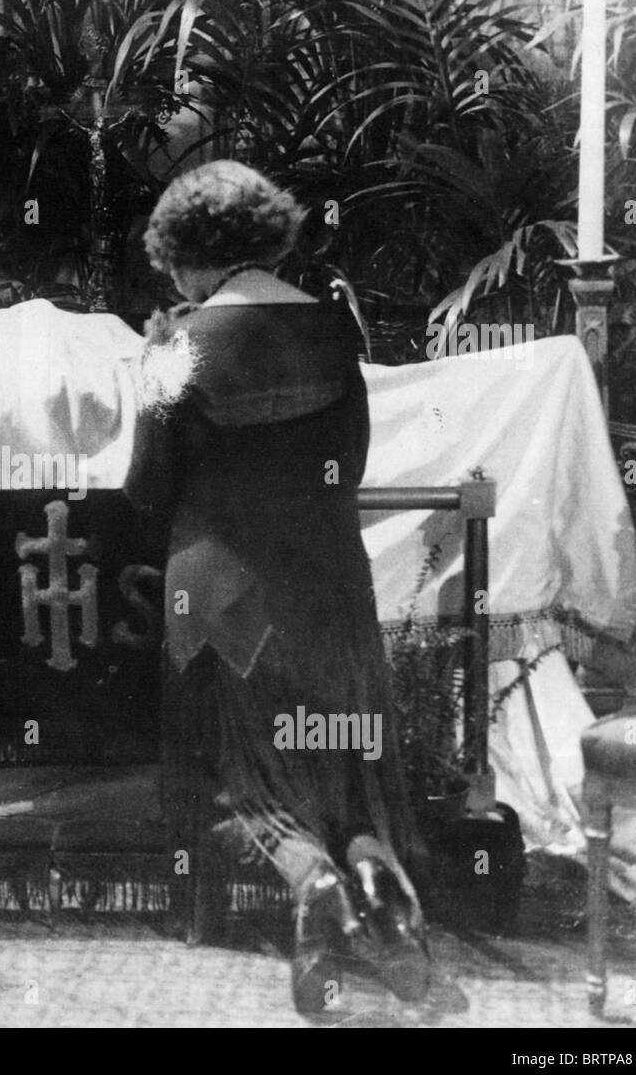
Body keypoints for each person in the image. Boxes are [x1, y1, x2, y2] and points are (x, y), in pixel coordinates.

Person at [125, 160, 431, 1013]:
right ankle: (369, 865)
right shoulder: (335, 330)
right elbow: (353, 462)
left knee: (238, 774)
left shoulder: (178, 346)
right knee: (340, 758)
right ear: (269, 236)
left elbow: (145, 488)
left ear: (185, 256)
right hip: (331, 586)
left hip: (223, 600)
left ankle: (307, 882)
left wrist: (149, 367)